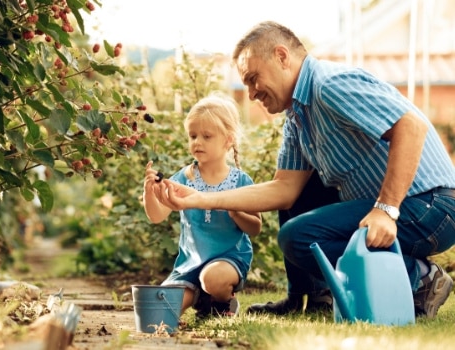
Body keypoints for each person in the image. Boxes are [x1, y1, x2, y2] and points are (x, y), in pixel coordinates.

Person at [154, 21, 455, 319]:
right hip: (411, 207)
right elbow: (283, 189)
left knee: (298, 236)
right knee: (301, 196)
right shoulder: (298, 118)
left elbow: (411, 127)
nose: (251, 93)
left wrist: (386, 209)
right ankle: (312, 298)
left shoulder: (329, 85)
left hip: (432, 206)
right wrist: (198, 198)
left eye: (253, 78)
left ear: (282, 57)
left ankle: (421, 276)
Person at [143, 94, 262, 319]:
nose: (197, 142)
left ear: (228, 140)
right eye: (193, 135)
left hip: (228, 261)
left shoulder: (240, 182)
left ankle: (222, 301)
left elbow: (255, 228)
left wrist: (235, 212)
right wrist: (148, 192)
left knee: (213, 279)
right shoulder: (183, 178)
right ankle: (203, 299)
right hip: (190, 266)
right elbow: (157, 216)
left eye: (206, 136)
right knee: (159, 311)